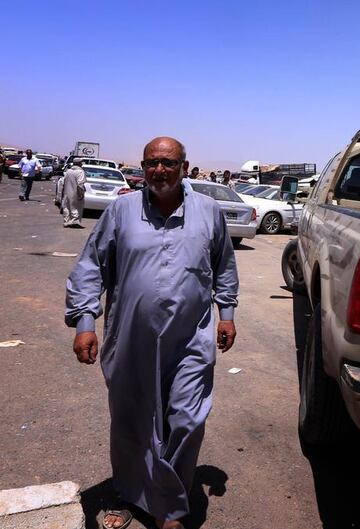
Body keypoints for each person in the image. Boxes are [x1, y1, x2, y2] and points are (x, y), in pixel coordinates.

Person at [65, 137, 239, 529]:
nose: (160, 170)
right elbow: (91, 267)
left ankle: (170, 506)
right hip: (131, 338)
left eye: (169, 163)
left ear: (184, 167)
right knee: (133, 420)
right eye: (152, 163)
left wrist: (226, 314)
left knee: (186, 419)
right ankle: (130, 492)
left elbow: (224, 267)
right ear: (143, 167)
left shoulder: (209, 212)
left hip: (190, 338)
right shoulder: (121, 211)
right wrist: (85, 323)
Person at [60, 158, 86, 228]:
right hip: (76, 192)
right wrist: (81, 194)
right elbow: (80, 184)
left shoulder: (68, 171)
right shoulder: (80, 172)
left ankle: (66, 221)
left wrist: (63, 192)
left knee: (67, 207)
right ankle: (74, 221)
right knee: (76, 207)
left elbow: (63, 182)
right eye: (81, 162)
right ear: (79, 163)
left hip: (66, 192)